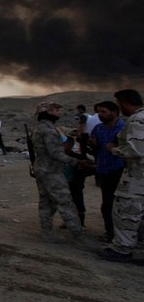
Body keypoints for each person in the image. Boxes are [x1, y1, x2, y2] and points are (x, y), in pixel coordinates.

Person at [31, 101, 97, 249]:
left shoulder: (41, 127)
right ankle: (78, 236)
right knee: (65, 202)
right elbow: (55, 153)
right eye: (56, 110)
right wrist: (77, 162)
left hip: (43, 169)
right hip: (51, 171)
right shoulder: (48, 130)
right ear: (47, 112)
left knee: (47, 202)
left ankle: (47, 233)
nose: (59, 112)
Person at [98, 89, 144, 262]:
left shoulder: (137, 119)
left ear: (124, 103)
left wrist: (114, 149)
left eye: (118, 103)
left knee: (127, 212)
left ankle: (122, 250)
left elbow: (136, 150)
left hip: (137, 176)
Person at [89, 101, 126, 242]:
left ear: (114, 112)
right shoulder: (98, 129)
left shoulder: (124, 128)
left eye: (103, 112)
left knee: (125, 206)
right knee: (107, 204)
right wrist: (93, 144)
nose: (100, 115)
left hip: (121, 170)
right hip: (104, 170)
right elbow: (96, 148)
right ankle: (110, 233)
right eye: (99, 112)